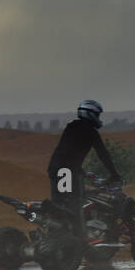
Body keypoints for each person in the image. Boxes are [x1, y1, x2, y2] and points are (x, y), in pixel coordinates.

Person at [48, 100, 122, 238]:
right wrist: (114, 174)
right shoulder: (90, 131)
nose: (99, 119)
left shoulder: (71, 127)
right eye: (97, 115)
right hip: (69, 172)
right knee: (76, 205)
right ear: (91, 114)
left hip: (54, 170)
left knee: (58, 204)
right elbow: (103, 154)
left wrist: (81, 170)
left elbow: (68, 150)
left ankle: (55, 236)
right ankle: (80, 240)